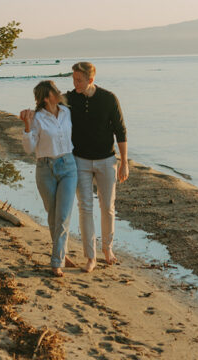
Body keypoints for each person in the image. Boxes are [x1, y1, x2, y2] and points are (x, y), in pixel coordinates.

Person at [66, 61, 128, 273]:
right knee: (85, 207)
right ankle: (90, 256)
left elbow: (120, 131)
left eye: (79, 80)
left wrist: (124, 162)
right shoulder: (70, 99)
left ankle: (107, 249)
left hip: (106, 160)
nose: (75, 83)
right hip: (80, 160)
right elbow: (49, 107)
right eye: (73, 79)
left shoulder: (108, 98)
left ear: (91, 79)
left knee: (108, 207)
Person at [20, 80, 77, 277]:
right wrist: (27, 125)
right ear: (46, 97)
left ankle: (56, 262)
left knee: (62, 215)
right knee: (53, 215)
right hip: (45, 169)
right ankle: (62, 255)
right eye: (55, 91)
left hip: (68, 166)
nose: (59, 92)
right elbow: (29, 149)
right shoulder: (36, 118)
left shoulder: (66, 112)